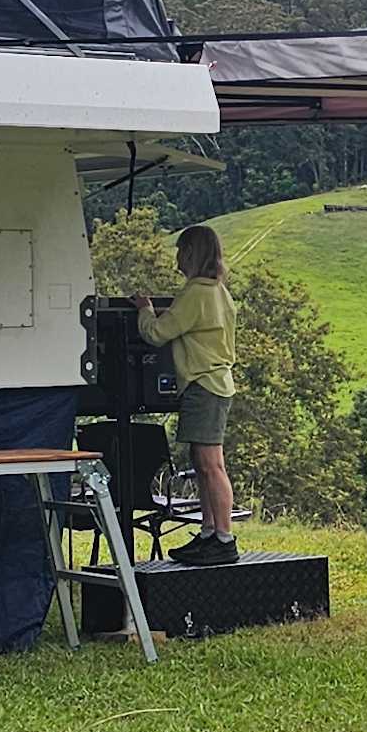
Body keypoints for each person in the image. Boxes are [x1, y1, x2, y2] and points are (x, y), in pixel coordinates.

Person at [133, 224, 240, 564]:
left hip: (203, 384)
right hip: (216, 382)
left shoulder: (195, 292)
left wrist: (145, 309)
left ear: (191, 254)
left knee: (210, 465)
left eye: (180, 251)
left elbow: (158, 334)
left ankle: (224, 538)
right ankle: (209, 533)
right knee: (202, 461)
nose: (177, 258)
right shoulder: (219, 290)